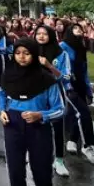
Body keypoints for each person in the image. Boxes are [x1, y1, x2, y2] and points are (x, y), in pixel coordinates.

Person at [0, 38, 65, 186]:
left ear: (34, 55)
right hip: (13, 126)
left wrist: (41, 116)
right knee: (16, 173)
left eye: (26, 53)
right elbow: (2, 93)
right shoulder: (9, 75)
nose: (21, 57)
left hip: (38, 128)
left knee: (42, 173)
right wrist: (2, 110)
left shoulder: (46, 80)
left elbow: (60, 109)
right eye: (18, 52)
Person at [33, 24, 71, 177]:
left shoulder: (61, 54)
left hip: (55, 92)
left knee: (57, 126)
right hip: (36, 93)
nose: (41, 36)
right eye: (38, 33)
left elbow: (66, 77)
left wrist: (49, 66)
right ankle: (38, 156)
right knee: (35, 124)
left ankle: (59, 159)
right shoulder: (31, 51)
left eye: (45, 34)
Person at [61, 22, 94, 166]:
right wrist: (67, 83)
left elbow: (84, 71)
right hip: (68, 84)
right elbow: (60, 66)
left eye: (80, 28)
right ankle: (88, 146)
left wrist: (89, 90)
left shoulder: (82, 48)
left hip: (81, 86)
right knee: (83, 113)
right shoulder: (63, 46)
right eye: (75, 28)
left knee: (74, 113)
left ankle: (72, 139)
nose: (78, 30)